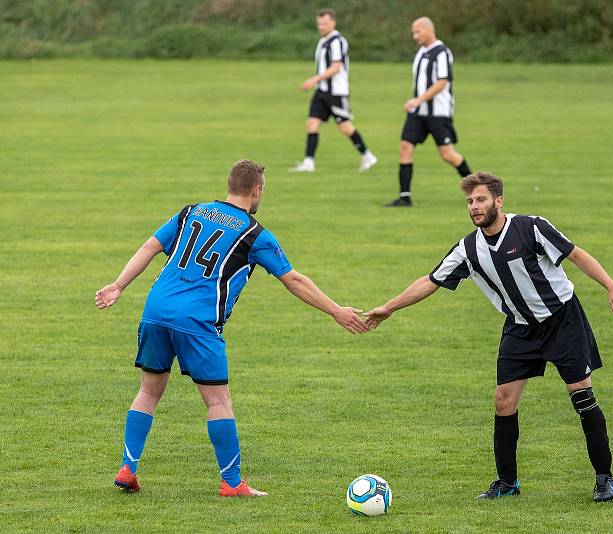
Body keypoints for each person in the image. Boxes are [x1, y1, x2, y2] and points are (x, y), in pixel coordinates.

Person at [96, 160, 369, 497]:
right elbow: (294, 281)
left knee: (149, 392)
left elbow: (149, 247)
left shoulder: (190, 212)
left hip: (155, 310)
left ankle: (128, 467)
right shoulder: (255, 234)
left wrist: (119, 285)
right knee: (218, 401)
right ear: (256, 191)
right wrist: (336, 311)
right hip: (197, 321)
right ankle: (232, 482)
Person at [366, 172, 613, 501]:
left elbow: (576, 255)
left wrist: (612, 288)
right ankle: (507, 483)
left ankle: (604, 477)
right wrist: (388, 308)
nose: (474, 207)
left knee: (582, 398)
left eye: (480, 200)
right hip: (520, 328)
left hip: (563, 321)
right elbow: (431, 280)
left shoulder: (531, 227)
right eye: (470, 202)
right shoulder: (468, 248)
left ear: (498, 201)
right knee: (503, 402)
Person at [385, 17, 472, 207]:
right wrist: (418, 103)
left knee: (448, 154)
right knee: (405, 147)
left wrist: (418, 99)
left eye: (417, 32)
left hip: (438, 112)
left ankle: (478, 189)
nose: (415, 36)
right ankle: (404, 197)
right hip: (418, 113)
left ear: (428, 30)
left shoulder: (442, 52)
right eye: (413, 33)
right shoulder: (421, 52)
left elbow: (442, 82)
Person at [291, 8, 378, 172]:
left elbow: (337, 67)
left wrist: (314, 79)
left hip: (336, 93)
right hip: (321, 91)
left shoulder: (337, 41)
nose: (321, 26)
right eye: (319, 24)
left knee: (345, 127)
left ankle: (367, 156)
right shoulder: (323, 41)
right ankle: (309, 162)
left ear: (333, 22)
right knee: (312, 123)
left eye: (325, 23)